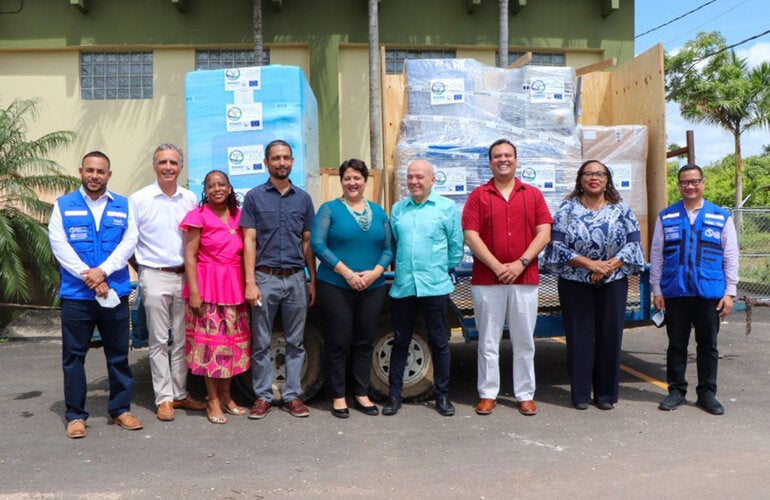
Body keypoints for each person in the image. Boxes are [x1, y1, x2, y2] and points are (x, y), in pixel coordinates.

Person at [48, 151, 142, 438]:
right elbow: (58, 243)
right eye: (89, 170)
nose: (94, 176)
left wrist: (102, 271)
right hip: (77, 296)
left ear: (109, 175)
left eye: (100, 171)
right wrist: (88, 276)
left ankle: (120, 410)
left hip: (113, 291)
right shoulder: (64, 205)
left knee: (118, 356)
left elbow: (130, 241)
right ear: (80, 171)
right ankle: (75, 415)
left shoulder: (123, 206)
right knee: (74, 357)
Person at [543, 160, 645, 410]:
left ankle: (606, 395)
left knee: (610, 337)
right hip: (575, 281)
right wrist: (590, 265)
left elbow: (634, 241)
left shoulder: (620, 208)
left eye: (599, 174)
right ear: (580, 179)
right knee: (580, 338)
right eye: (588, 174)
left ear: (607, 179)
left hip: (613, 280)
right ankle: (579, 395)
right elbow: (556, 245)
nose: (593, 178)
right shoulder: (567, 208)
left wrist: (608, 266)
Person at [461, 139, 552, 416]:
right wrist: (497, 265)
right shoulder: (478, 195)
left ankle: (525, 394)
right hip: (487, 280)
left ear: (516, 160)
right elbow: (470, 235)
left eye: (508, 155)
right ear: (490, 162)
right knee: (488, 340)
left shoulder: (533, 194)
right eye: (497, 156)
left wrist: (520, 263)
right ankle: (488, 393)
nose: (503, 159)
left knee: (524, 340)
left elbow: (544, 232)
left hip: (524, 279)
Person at [651, 163, 738, 415]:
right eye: (685, 182)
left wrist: (730, 292)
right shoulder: (666, 216)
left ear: (703, 183)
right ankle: (676, 391)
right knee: (676, 345)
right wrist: (657, 289)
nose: (690, 186)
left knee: (708, 345)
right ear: (678, 185)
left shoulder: (721, 216)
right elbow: (657, 254)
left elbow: (730, 256)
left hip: (709, 293)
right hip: (675, 292)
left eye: (694, 181)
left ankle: (707, 394)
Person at [310, 159, 393, 418]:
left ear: (365, 181)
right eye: (347, 178)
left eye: (357, 178)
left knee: (364, 341)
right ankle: (337, 396)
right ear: (342, 181)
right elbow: (318, 245)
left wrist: (376, 272)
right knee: (338, 342)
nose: (352, 182)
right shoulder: (329, 210)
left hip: (372, 286)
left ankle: (361, 393)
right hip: (336, 286)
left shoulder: (379, 213)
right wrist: (347, 273)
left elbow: (389, 248)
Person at [129, 143, 206, 422]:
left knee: (184, 340)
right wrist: (145, 272)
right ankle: (163, 398)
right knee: (159, 340)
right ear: (155, 165)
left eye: (173, 162)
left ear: (180, 167)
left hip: (185, 276)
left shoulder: (190, 198)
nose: (168, 167)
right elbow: (130, 242)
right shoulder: (139, 199)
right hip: (154, 275)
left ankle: (180, 393)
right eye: (163, 162)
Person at [241, 139, 317, 419]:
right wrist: (250, 282)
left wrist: (312, 280)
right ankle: (262, 396)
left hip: (296, 278)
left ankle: (291, 395)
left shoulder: (303, 199)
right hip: (265, 278)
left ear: (292, 161)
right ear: (266, 163)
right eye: (276, 158)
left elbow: (307, 242)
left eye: (286, 157)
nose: (281, 162)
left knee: (295, 341)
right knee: (261, 342)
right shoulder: (254, 197)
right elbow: (249, 241)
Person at [384, 159, 464, 417]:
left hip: (435, 287)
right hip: (404, 286)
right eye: (410, 177)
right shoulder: (398, 209)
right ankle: (394, 397)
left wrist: (438, 270)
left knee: (439, 341)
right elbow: (394, 245)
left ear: (432, 180)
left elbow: (455, 248)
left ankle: (442, 396)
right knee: (401, 341)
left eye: (420, 177)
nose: (414, 181)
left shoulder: (446, 208)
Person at [180, 170, 251, 424]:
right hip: (207, 286)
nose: (217, 189)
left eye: (221, 184)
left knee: (231, 345)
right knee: (210, 347)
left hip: (233, 286)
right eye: (211, 185)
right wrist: (195, 292)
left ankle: (226, 396)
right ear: (205, 190)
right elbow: (189, 257)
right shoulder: (198, 217)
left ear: (230, 188)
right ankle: (212, 400)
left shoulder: (240, 216)